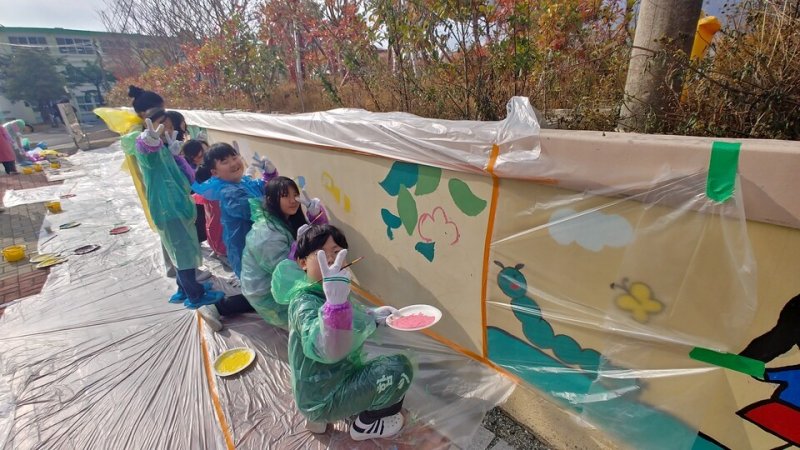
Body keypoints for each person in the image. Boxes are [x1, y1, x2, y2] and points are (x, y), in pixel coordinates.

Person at [271, 224, 413, 440]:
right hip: (324, 398)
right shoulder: (304, 302)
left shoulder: (320, 291)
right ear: (302, 263)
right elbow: (327, 348)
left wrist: (372, 316)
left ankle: (320, 416)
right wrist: (336, 305)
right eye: (321, 254)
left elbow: (350, 317)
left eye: (336, 253)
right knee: (399, 369)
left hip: (321, 388)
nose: (330, 260)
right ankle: (365, 425)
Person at [135, 110, 223, 308]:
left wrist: (178, 158)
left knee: (181, 251)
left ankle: (183, 289)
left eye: (168, 125)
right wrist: (147, 141)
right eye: (161, 124)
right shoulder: (150, 148)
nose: (165, 129)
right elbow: (145, 153)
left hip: (177, 207)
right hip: (169, 210)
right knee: (182, 253)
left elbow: (188, 178)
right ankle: (195, 295)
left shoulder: (166, 151)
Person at [240, 177, 328, 329]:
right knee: (311, 312)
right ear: (271, 199)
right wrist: (297, 249)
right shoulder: (268, 234)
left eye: (295, 194)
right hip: (268, 293)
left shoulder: (285, 219)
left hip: (272, 279)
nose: (293, 200)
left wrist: (317, 219)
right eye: (285, 195)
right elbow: (285, 275)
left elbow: (316, 241)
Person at [192, 142, 279, 278]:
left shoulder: (242, 181)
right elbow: (257, 208)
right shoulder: (229, 192)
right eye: (225, 162)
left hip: (260, 245)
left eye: (234, 157)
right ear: (215, 173)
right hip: (248, 252)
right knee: (263, 290)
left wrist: (270, 175)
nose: (233, 164)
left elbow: (261, 187)